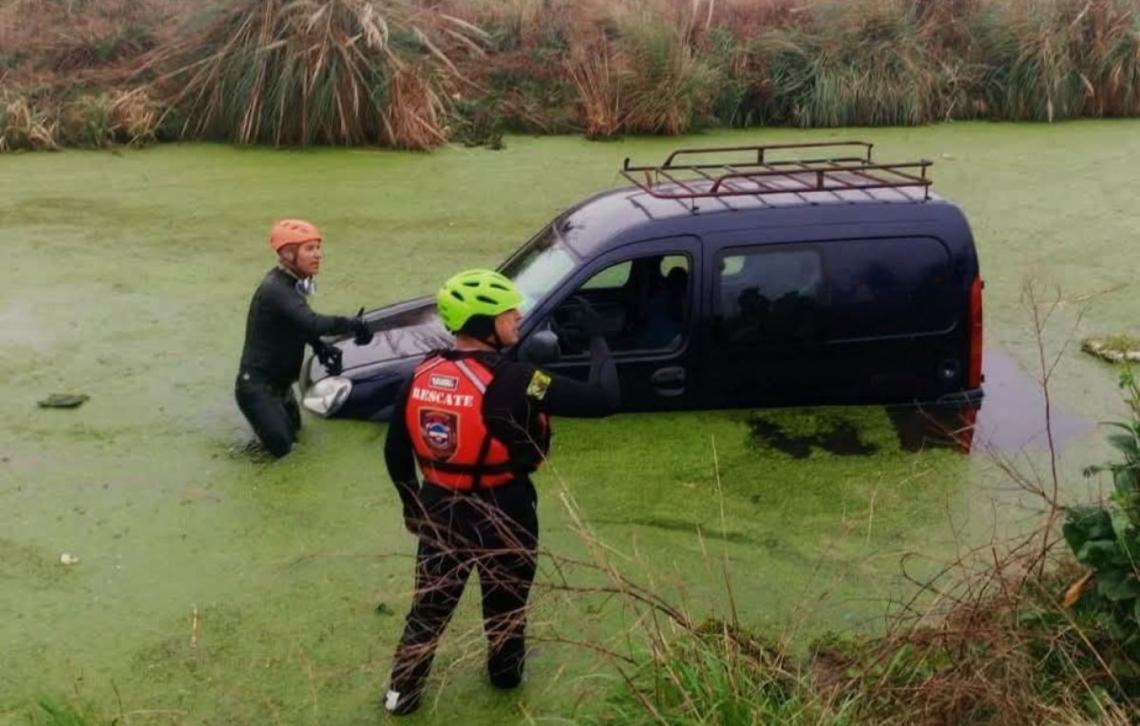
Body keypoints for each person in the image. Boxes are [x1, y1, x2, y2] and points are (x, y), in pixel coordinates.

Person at [382, 269, 620, 716]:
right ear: (483, 323)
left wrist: (413, 507)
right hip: (505, 511)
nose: (519, 318)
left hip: (440, 510)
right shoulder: (523, 380)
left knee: (429, 610)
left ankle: (400, 696)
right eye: (509, 313)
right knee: (506, 607)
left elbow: (395, 452)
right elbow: (604, 400)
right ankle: (505, 677)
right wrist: (597, 339)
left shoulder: (420, 375)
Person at [234, 219, 372, 458]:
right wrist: (353, 324)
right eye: (309, 249)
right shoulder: (276, 289)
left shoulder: (292, 284)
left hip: (282, 388)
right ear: (288, 254)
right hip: (258, 390)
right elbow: (313, 323)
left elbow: (295, 324)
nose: (318, 255)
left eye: (318, 248)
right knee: (285, 455)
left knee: (296, 441)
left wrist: (319, 346)